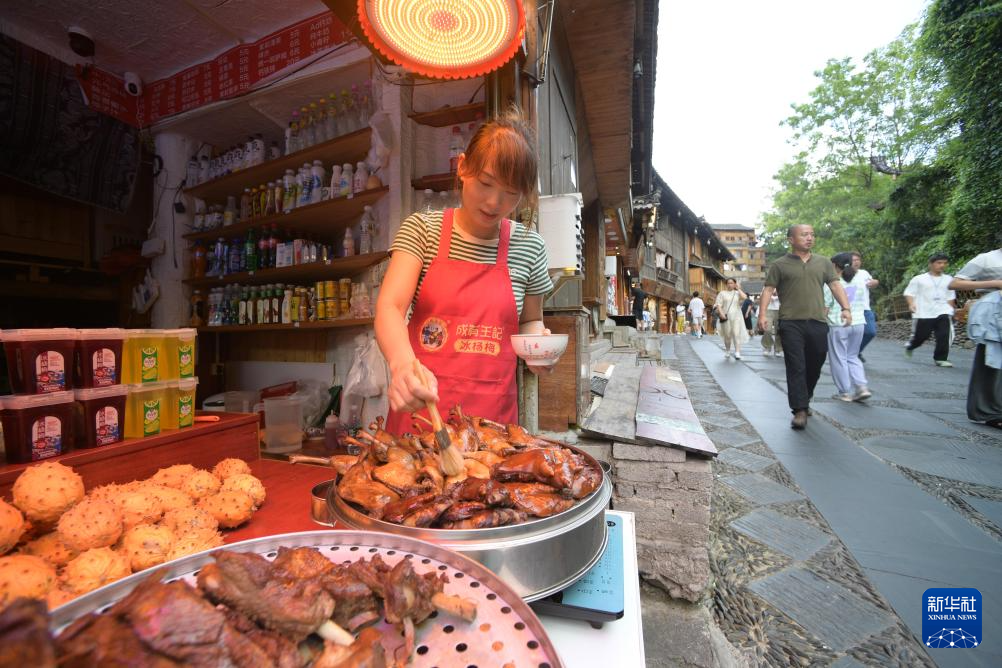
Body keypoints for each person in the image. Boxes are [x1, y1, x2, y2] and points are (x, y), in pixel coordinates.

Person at [375, 111, 553, 434]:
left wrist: (538, 347)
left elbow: (531, 320)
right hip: (420, 421)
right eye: (485, 183)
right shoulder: (422, 231)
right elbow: (390, 307)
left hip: (492, 430)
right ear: (462, 167)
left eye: (511, 193)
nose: (494, 202)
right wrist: (401, 365)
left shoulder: (530, 247)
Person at [758, 225, 852, 430]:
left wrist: (846, 308)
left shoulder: (823, 263)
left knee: (816, 362)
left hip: (818, 321)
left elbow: (836, 285)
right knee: (796, 365)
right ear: (791, 239)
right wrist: (763, 314)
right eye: (804, 235)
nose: (809, 238)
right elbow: (768, 290)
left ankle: (806, 396)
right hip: (790, 322)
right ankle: (799, 409)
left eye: (812, 235)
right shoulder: (779, 264)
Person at [948, 244, 1002, 428]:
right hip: (994, 313)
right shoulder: (986, 258)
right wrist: (994, 283)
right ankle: (991, 411)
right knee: (992, 362)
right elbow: (955, 283)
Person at [824, 253, 871, 401]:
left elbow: (825, 307)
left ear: (834, 265)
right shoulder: (859, 279)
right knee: (852, 355)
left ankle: (844, 392)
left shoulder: (832, 283)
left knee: (839, 358)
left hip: (838, 324)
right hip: (858, 322)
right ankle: (861, 387)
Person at [903, 253, 956, 367]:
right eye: (939, 263)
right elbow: (909, 293)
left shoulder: (949, 279)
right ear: (930, 264)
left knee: (943, 335)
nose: (942, 265)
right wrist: (911, 304)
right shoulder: (919, 279)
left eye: (944, 263)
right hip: (925, 312)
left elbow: (950, 297)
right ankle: (911, 346)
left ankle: (940, 358)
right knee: (922, 336)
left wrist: (950, 310)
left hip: (943, 311)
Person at [852, 253, 879, 362]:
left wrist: (875, 282)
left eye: (858, 259)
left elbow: (873, 282)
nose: (856, 262)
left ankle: (856, 351)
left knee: (870, 332)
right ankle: (850, 354)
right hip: (849, 309)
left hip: (865, 309)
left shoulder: (864, 273)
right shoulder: (843, 274)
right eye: (853, 260)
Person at [715, 278, 749, 359]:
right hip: (726, 317)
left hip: (737, 317)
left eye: (732, 283)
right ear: (726, 284)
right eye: (728, 283)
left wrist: (738, 289)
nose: (730, 285)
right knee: (727, 335)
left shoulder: (737, 293)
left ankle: (737, 352)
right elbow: (718, 305)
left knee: (736, 334)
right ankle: (727, 350)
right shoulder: (722, 293)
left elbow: (745, 297)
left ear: (734, 284)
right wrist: (721, 313)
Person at [762, 293, 783, 357]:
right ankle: (767, 347)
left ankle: (778, 349)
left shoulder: (782, 284)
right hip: (768, 308)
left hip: (780, 308)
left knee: (778, 330)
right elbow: (763, 295)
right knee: (767, 329)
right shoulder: (768, 284)